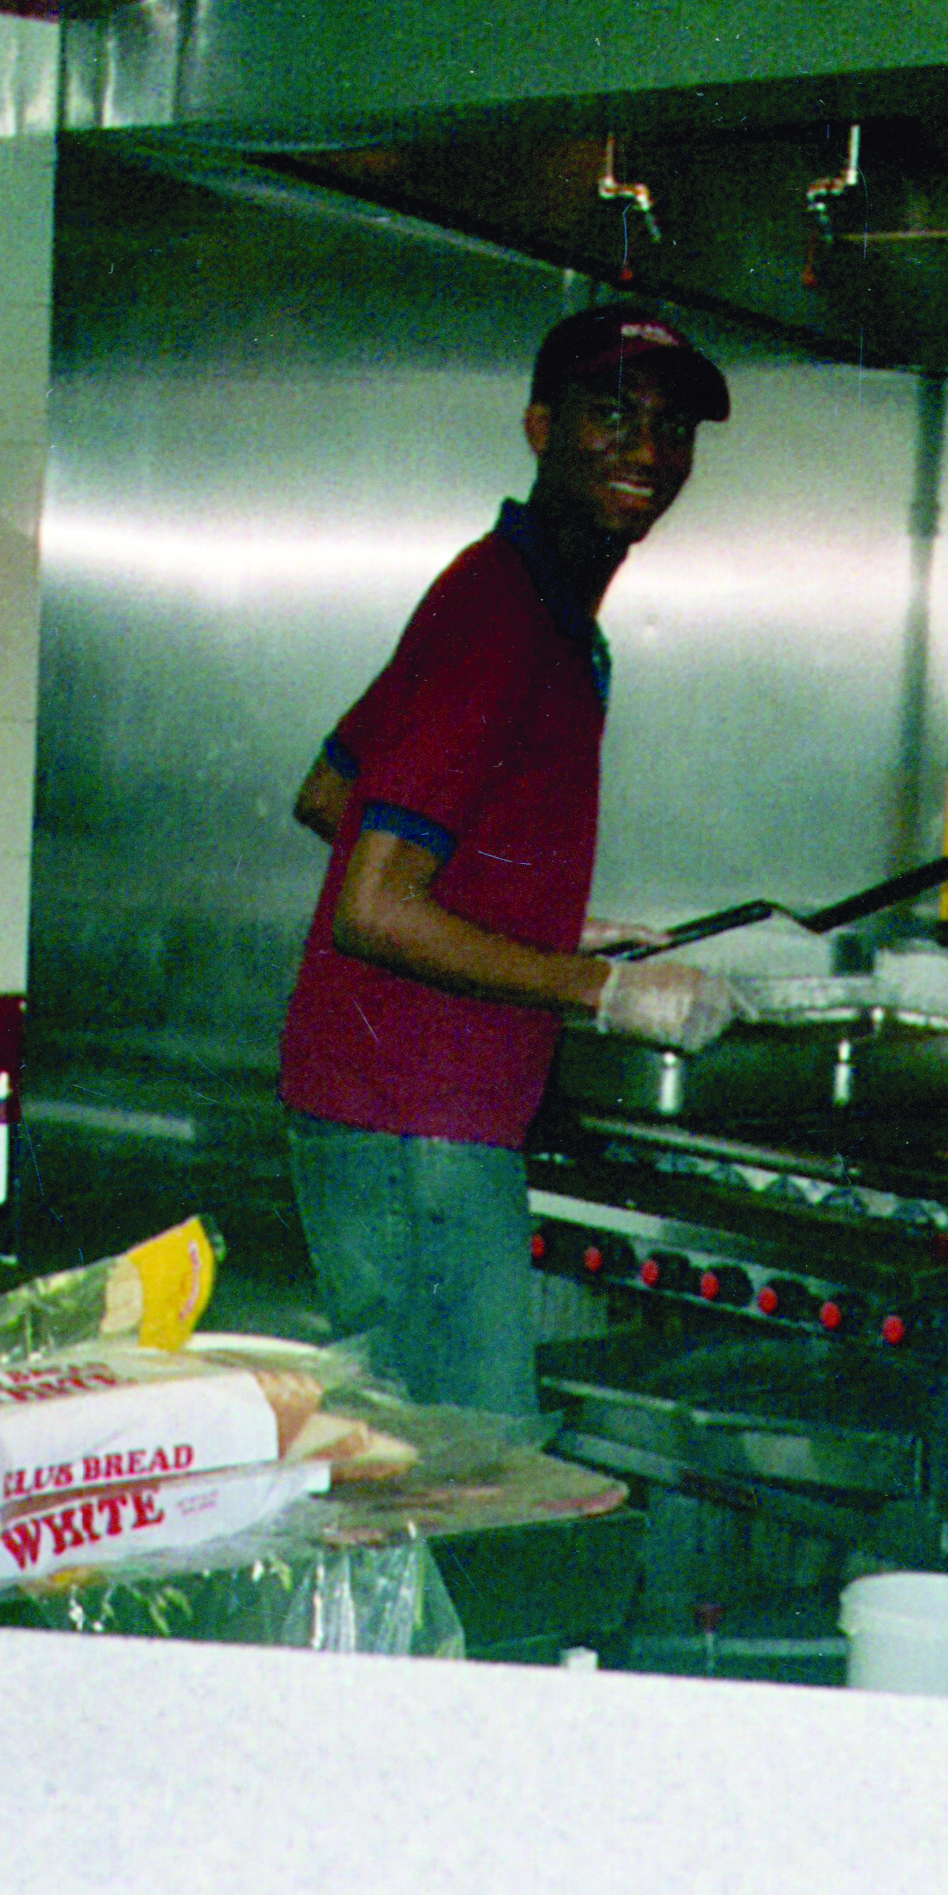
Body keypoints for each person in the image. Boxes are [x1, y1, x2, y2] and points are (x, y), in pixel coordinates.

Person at [276, 301, 746, 1417]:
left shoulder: (524, 599)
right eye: (609, 415)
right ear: (540, 426)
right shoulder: (500, 614)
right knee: (461, 1482)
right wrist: (605, 988)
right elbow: (374, 907)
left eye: (670, 429)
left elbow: (331, 792)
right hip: (412, 1128)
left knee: (416, 1471)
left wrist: (532, 912)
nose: (644, 452)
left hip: (398, 1119)